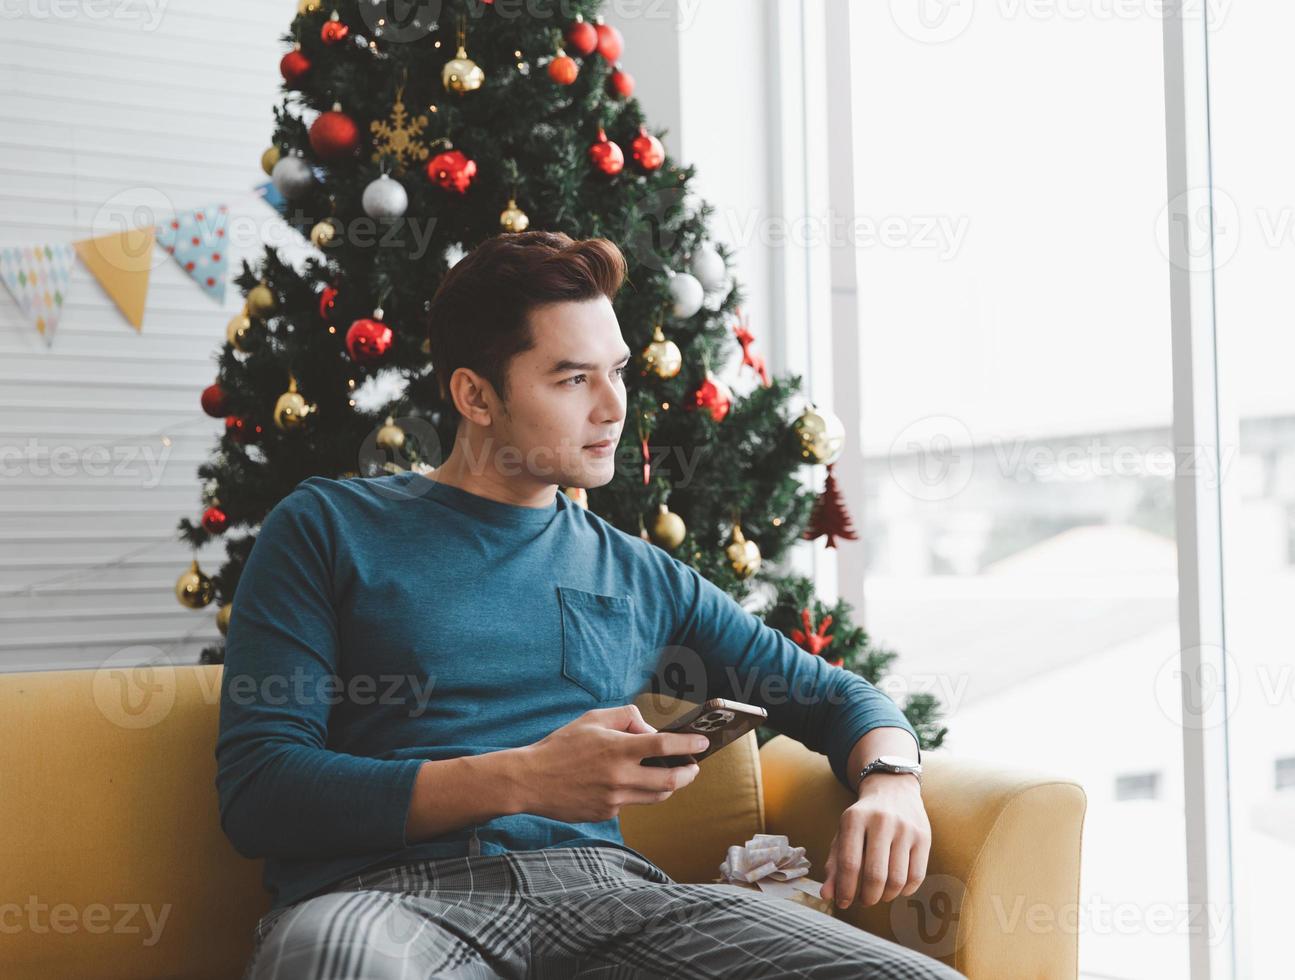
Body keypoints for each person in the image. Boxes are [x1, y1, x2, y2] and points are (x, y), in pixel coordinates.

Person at [218, 231, 961, 978]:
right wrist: (525, 777)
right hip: (387, 904)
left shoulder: (642, 573)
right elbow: (262, 790)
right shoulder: (326, 528)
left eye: (617, 372)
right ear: (475, 395)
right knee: (333, 964)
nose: (613, 407)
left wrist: (893, 780)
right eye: (573, 380)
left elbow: (832, 696)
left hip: (610, 903)